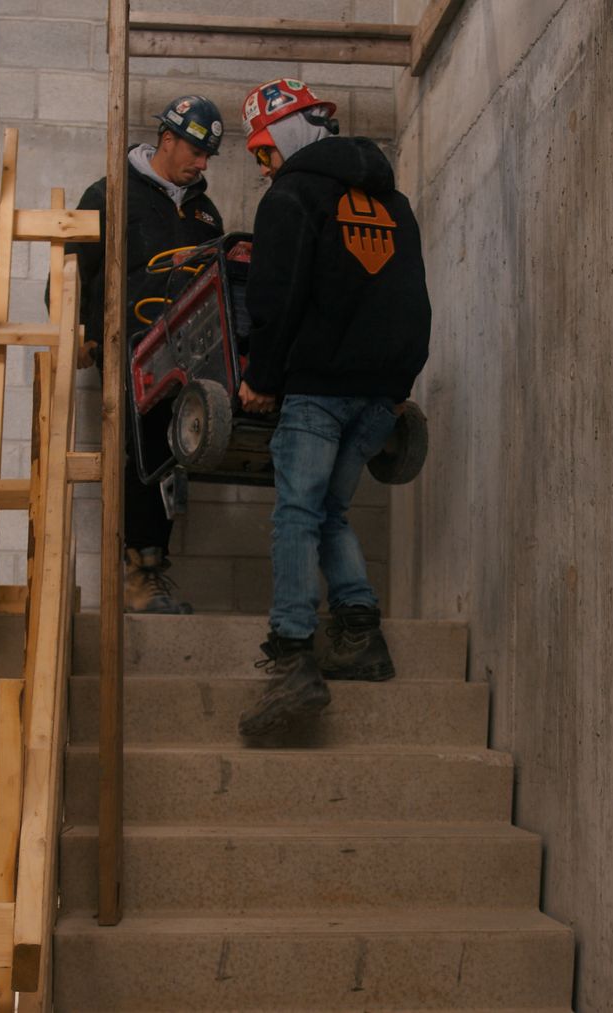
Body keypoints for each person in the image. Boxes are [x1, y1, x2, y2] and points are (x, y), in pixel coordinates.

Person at [231, 79, 432, 737]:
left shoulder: (292, 196)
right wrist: (398, 383)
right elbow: (414, 300)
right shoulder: (393, 201)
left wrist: (262, 377)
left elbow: (276, 297)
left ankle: (292, 657)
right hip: (380, 394)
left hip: (318, 388)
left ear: (287, 134)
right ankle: (359, 635)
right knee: (330, 510)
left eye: (263, 149)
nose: (263, 166)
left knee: (295, 512)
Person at [73, 95, 227, 613]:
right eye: (197, 151)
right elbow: (75, 266)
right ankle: (139, 571)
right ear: (167, 140)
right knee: (137, 450)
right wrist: (80, 328)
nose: (203, 164)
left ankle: (151, 567)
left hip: (185, 359)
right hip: (128, 350)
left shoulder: (206, 214)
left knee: (170, 455)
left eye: (209, 156)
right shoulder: (110, 193)